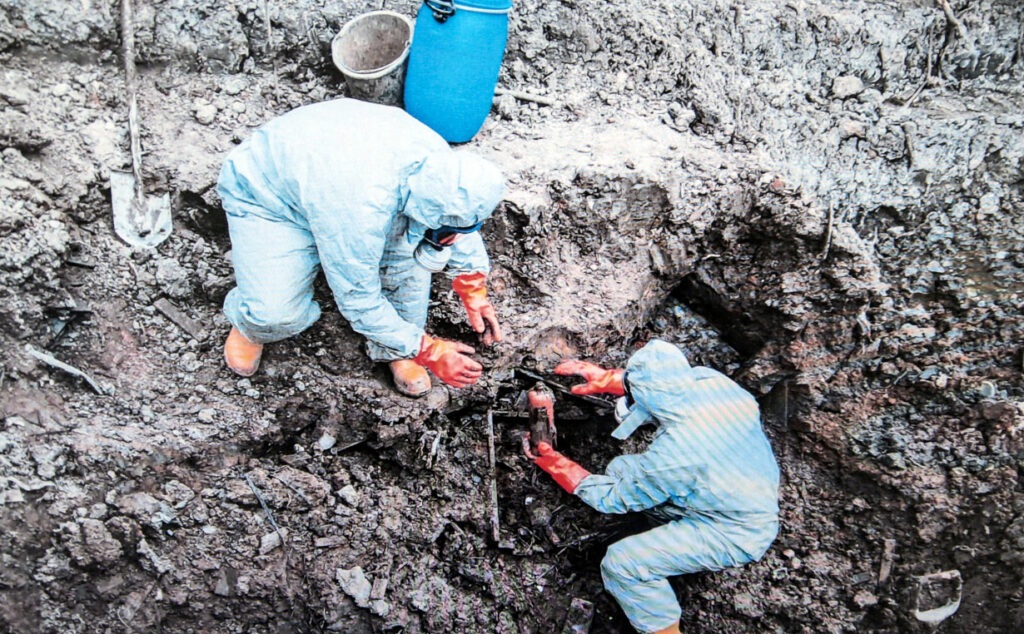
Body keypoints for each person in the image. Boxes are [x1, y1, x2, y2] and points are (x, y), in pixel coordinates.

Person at [216, 98, 505, 396]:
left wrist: (472, 282)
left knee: (407, 255)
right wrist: (429, 349)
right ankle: (252, 325)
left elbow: (461, 212)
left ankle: (395, 348)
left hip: (338, 179)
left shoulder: (441, 169)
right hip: (272, 198)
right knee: (274, 313)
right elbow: (358, 300)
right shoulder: (360, 211)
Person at [525, 340, 780, 634]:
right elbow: (666, 382)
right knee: (622, 470)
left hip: (736, 532)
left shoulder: (676, 457)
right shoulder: (714, 382)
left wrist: (560, 466)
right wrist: (610, 379)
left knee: (623, 564)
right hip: (739, 488)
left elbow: (612, 499)